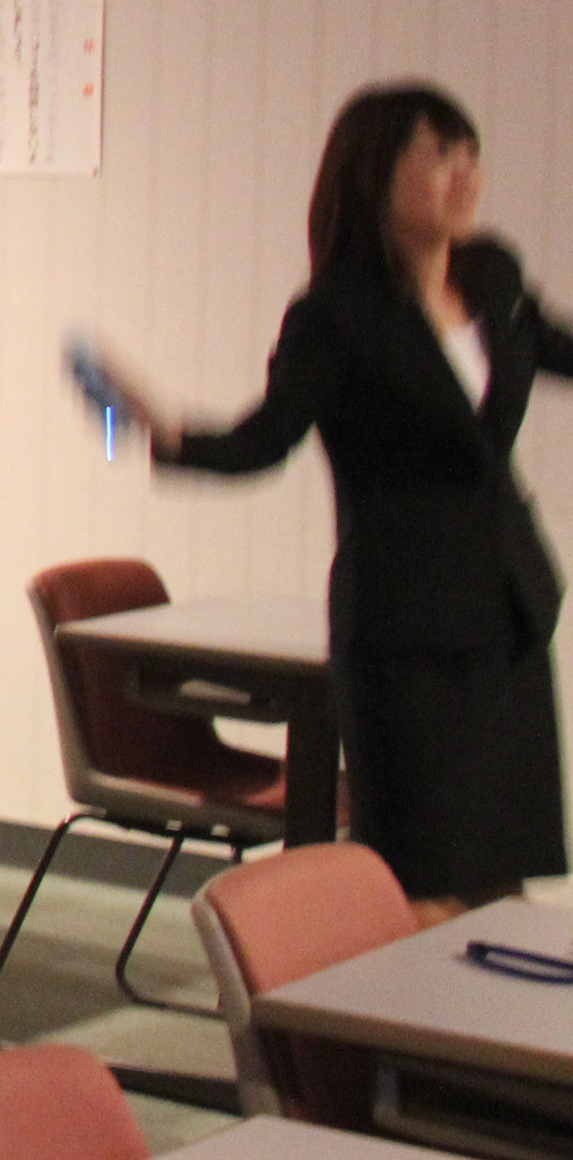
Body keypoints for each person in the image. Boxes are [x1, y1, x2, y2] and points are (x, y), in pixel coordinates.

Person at [99, 83, 573, 916]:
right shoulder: (337, 315)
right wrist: (159, 431)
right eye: (439, 155)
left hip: (507, 619)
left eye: (471, 154)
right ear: (374, 175)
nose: (466, 173)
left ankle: (478, 1049)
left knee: (505, 878)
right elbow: (264, 441)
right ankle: (397, 1044)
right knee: (419, 880)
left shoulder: (494, 279)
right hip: (405, 631)